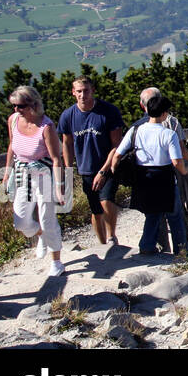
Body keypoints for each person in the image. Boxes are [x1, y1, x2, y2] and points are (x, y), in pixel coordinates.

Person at [107, 92, 188, 257]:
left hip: (143, 177)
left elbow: (117, 154)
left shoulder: (135, 130)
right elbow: (176, 161)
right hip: (164, 177)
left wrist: (116, 172)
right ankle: (181, 250)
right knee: (175, 215)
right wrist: (184, 170)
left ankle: (147, 245)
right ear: (164, 113)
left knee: (152, 214)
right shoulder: (168, 134)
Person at [4, 86, 66, 277]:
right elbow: (11, 147)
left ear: (33, 104)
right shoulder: (13, 121)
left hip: (44, 175)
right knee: (20, 221)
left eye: (20, 106)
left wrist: (59, 187)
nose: (16, 110)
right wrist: (7, 173)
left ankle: (56, 261)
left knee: (48, 219)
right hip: (22, 173)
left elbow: (56, 158)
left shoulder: (45, 127)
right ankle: (41, 236)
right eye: (14, 105)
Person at [59, 77, 124, 248]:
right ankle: (103, 244)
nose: (82, 95)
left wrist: (104, 171)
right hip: (85, 168)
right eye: (78, 91)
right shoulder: (68, 116)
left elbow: (116, 144)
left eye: (86, 90)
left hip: (107, 165)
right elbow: (66, 143)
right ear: (73, 92)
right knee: (96, 211)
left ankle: (112, 238)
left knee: (106, 201)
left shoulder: (108, 111)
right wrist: (68, 168)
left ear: (93, 90)